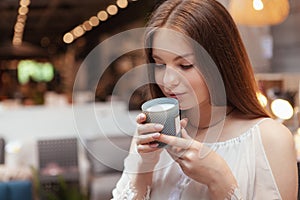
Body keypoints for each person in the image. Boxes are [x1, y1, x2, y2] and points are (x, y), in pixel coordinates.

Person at [112, 0, 298, 199]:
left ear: (221, 62)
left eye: (184, 65)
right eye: (159, 64)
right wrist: (144, 166)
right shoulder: (153, 134)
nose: (168, 81)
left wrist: (219, 179)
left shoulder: (270, 139)